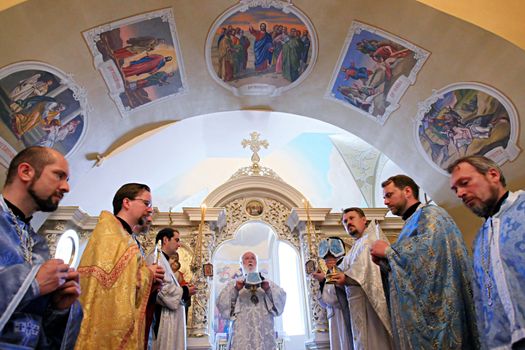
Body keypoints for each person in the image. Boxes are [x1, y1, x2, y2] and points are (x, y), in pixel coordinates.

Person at [370, 175, 479, 349]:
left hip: (442, 313)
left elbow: (431, 251)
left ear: (407, 191)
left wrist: (390, 251)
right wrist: (386, 262)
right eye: (384, 197)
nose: (385, 202)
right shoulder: (409, 224)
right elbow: (411, 268)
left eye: (389, 195)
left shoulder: (431, 214)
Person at [0, 146, 83, 348]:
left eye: (67, 180)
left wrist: (58, 307)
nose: (66, 187)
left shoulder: (37, 244)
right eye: (59, 175)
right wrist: (32, 282)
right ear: (26, 172)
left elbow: (39, 329)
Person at [75, 183, 164, 350]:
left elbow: (126, 288)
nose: (150, 210)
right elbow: (112, 285)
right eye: (147, 203)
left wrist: (151, 284)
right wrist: (148, 274)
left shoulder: (126, 238)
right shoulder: (110, 235)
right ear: (127, 202)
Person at [448, 155, 525, 349]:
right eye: (455, 189)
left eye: (465, 183)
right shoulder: (480, 240)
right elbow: (482, 302)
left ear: (493, 175)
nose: (460, 193)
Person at [330, 208, 393, 349]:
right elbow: (342, 270)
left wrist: (346, 278)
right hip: (356, 305)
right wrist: (327, 276)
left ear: (364, 220)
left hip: (371, 305)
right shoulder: (353, 248)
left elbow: (365, 266)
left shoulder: (370, 239)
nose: (348, 223)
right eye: (345, 221)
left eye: (352, 218)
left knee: (375, 342)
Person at [216, 251, 286, 350]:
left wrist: (268, 289)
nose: (250, 260)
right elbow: (222, 304)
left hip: (264, 330)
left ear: (257, 263)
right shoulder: (233, 284)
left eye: (253, 258)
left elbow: (280, 302)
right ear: (241, 263)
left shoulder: (267, 282)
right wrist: (236, 289)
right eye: (246, 258)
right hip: (242, 329)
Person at [146, 228, 196, 350]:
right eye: (177, 240)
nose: (179, 244)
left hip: (172, 317)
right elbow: (161, 290)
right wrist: (184, 291)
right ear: (165, 240)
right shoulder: (155, 259)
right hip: (164, 317)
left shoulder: (164, 261)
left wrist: (184, 289)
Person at [312, 237, 353, 350]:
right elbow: (324, 303)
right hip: (334, 318)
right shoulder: (330, 272)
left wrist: (324, 280)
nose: (327, 261)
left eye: (330, 258)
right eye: (326, 259)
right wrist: (322, 282)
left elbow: (335, 299)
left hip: (344, 315)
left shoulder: (344, 268)